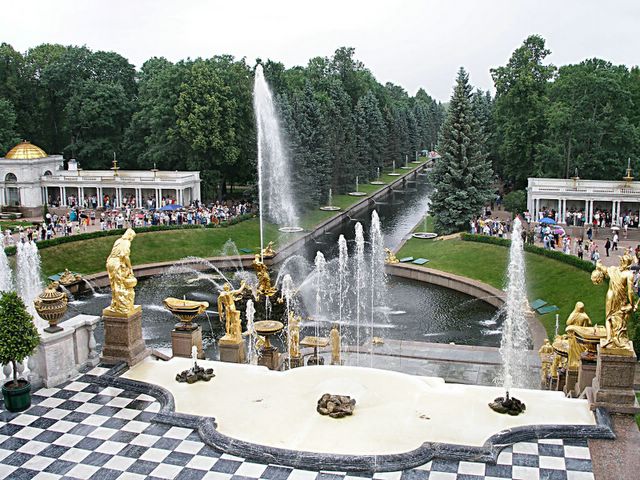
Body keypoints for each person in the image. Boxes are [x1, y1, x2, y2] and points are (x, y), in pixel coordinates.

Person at [591, 253, 636, 350]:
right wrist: (632, 304)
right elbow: (630, 291)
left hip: (610, 296)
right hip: (619, 298)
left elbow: (603, 268)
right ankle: (617, 338)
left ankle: (609, 338)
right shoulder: (629, 274)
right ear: (629, 264)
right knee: (619, 317)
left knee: (608, 318)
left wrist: (598, 264)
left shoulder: (613, 269)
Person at [105, 229, 137, 315]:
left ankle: (115, 304)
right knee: (119, 285)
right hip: (117, 263)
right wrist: (130, 267)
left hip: (110, 262)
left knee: (114, 285)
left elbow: (112, 254)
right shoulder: (126, 242)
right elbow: (125, 256)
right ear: (130, 235)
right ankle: (122, 307)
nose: (132, 239)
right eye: (132, 237)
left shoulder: (118, 240)